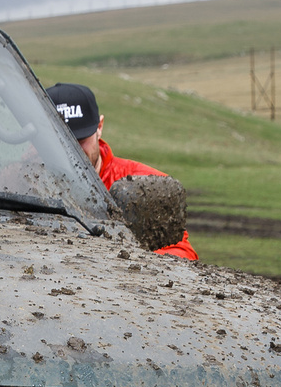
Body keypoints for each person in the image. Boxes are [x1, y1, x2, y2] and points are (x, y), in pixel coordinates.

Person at [46, 82, 197, 259]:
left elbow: (182, 255)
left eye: (79, 140)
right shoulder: (16, 183)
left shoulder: (144, 184)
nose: (71, 151)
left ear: (99, 127)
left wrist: (125, 260)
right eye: (59, 140)